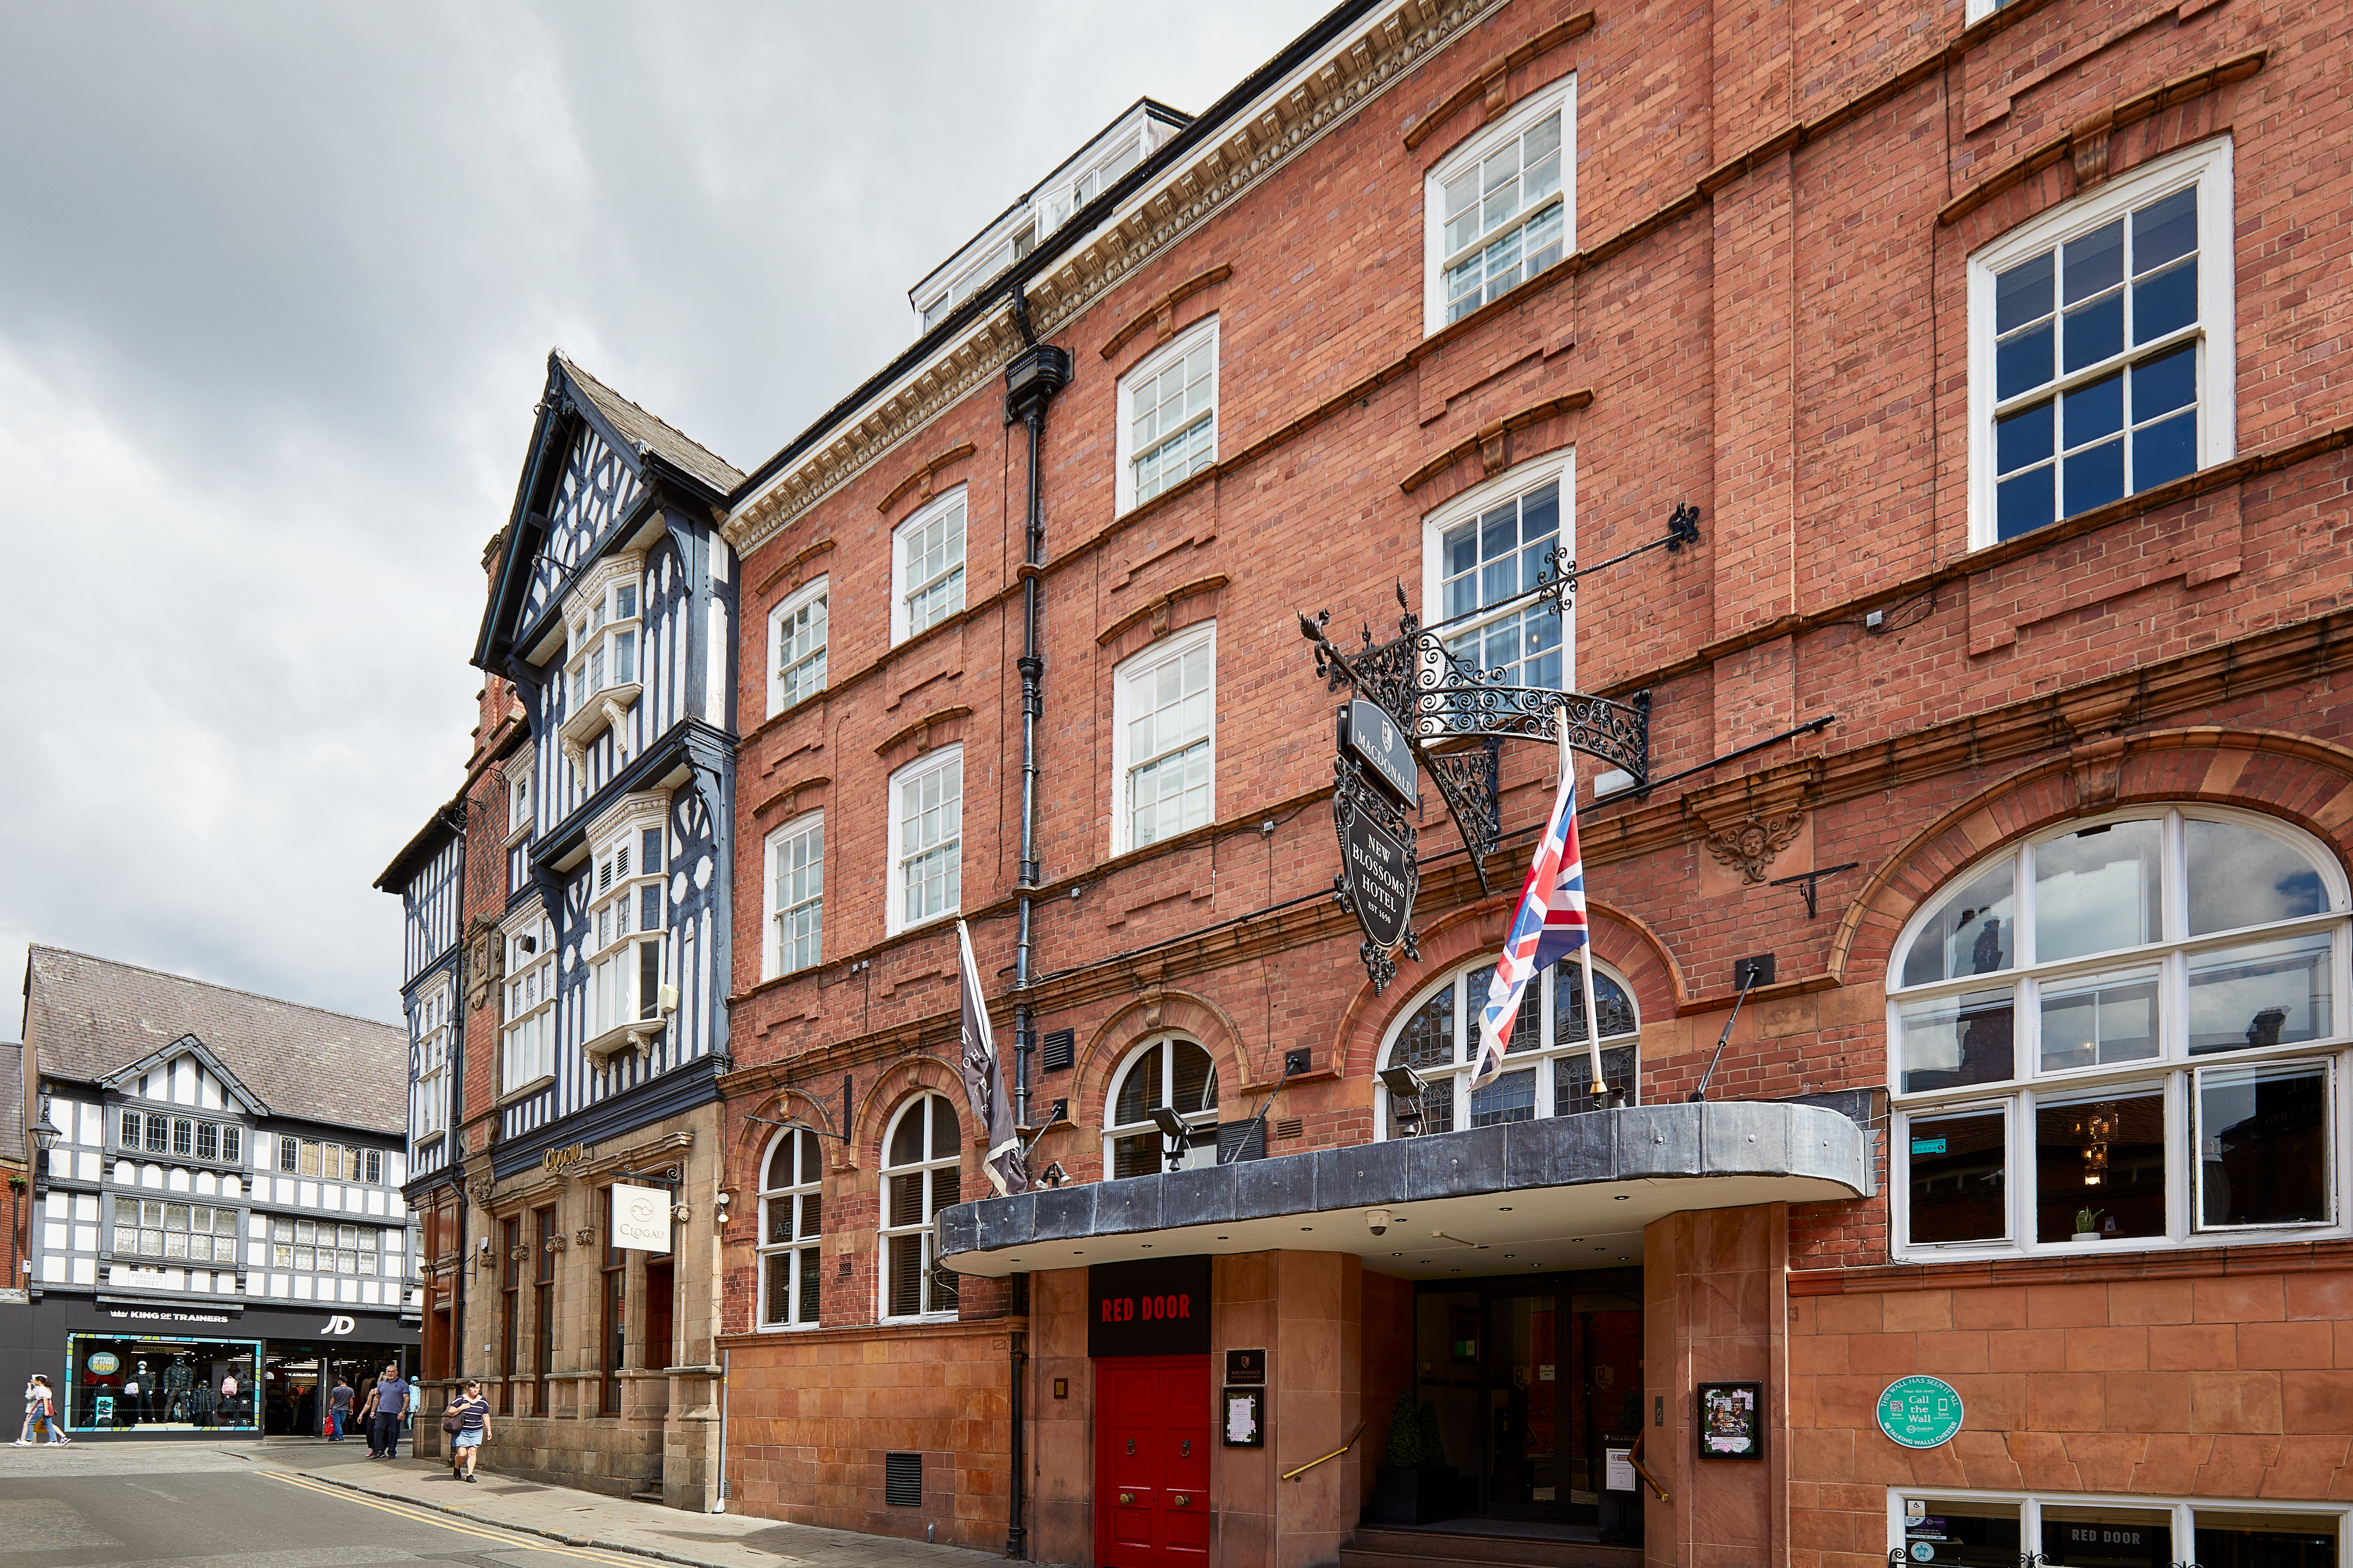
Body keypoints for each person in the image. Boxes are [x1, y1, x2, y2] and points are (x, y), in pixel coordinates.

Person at [446, 1379, 491, 1483]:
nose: (475, 1390)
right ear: (468, 1388)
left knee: (472, 1451)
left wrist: (489, 1430)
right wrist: (461, 1408)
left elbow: (485, 1416)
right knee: (462, 1454)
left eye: (477, 1388)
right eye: (473, 1388)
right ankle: (457, 1467)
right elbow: (450, 1413)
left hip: (477, 1430)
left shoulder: (483, 1401)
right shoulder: (460, 1399)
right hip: (462, 1431)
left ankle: (470, 1475)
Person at [368, 1364, 410, 1460]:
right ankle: (379, 1451)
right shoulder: (382, 1384)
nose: (390, 1374)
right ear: (386, 1373)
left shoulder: (403, 1384)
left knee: (394, 1432)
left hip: (395, 1412)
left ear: (396, 1372)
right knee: (377, 1429)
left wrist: (403, 1412)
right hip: (381, 1411)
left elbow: (407, 1399)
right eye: (389, 1372)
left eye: (393, 1372)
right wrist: (373, 1411)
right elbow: (377, 1398)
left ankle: (392, 1452)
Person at [16, 1376, 67, 1446]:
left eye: (35, 1380)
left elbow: (44, 1400)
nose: (33, 1382)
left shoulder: (41, 1388)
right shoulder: (46, 1388)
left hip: (41, 1407)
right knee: (49, 1424)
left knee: (31, 1423)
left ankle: (28, 1441)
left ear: (38, 1381)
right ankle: (54, 1441)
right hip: (45, 1406)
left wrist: (46, 1410)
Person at [326, 1375, 353, 1441]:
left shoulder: (335, 1390)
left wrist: (330, 1408)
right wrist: (351, 1409)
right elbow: (351, 1400)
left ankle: (340, 1437)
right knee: (339, 1424)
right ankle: (333, 1438)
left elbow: (333, 1400)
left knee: (337, 1424)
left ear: (340, 1381)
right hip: (345, 1409)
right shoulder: (351, 1390)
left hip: (336, 1409)